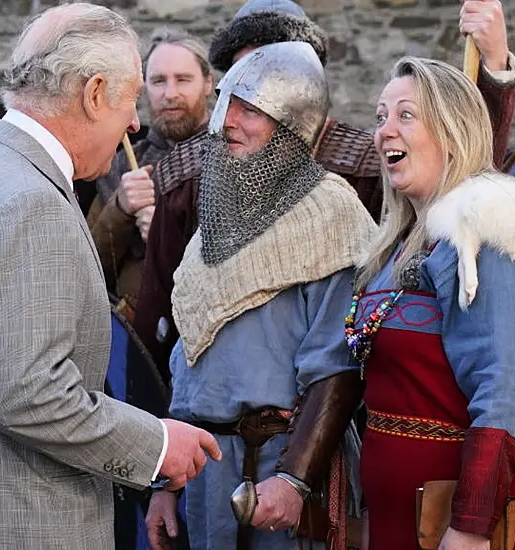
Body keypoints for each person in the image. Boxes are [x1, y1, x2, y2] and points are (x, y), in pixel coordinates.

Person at [0, 5, 221, 549]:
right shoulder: (32, 202)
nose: (133, 122)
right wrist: (154, 444)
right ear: (95, 92)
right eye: (129, 101)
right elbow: (27, 395)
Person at [132, 0, 515, 378]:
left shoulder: (370, 165)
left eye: (275, 69)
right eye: (247, 76)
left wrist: (494, 71)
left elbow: (465, 173)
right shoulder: (189, 175)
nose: (262, 86)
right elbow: (161, 315)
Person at [348, 56, 515, 549]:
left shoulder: (482, 237)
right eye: (380, 117)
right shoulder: (395, 248)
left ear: (452, 131)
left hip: (468, 523)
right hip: (402, 519)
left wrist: (470, 527)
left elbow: (502, 391)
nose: (385, 131)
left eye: (405, 115)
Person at [145, 41, 374, 550]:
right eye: (227, 103)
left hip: (280, 467)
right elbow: (190, 358)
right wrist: (167, 483)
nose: (228, 121)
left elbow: (337, 366)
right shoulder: (216, 221)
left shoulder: (330, 215)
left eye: (250, 110)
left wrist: (295, 477)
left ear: (291, 124)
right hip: (205, 470)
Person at [85, 27, 214, 318]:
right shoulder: (122, 164)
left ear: (208, 83)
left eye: (183, 79)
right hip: (137, 340)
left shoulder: (234, 155)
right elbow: (88, 270)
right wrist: (120, 209)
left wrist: (167, 234)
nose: (170, 94)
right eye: (158, 81)